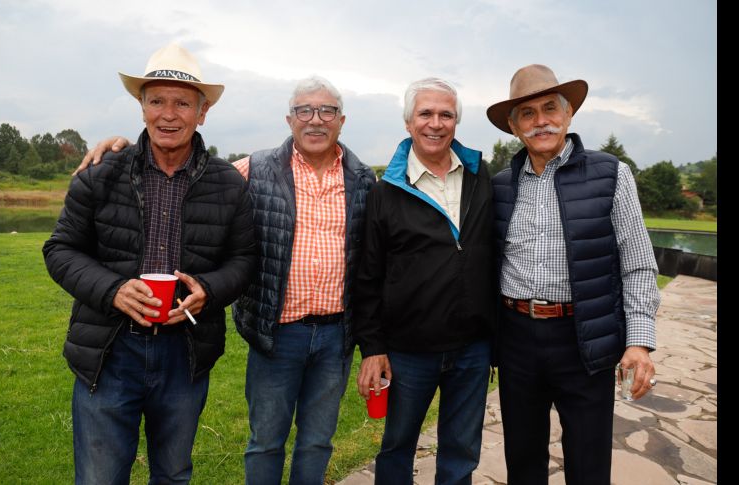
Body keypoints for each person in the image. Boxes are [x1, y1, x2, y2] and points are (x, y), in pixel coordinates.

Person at [77, 75, 376, 484]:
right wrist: (120, 147)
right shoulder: (251, 169)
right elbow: (181, 161)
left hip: (335, 335)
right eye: (305, 110)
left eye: (327, 111)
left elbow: (372, 258)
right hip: (277, 333)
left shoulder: (364, 179)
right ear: (289, 120)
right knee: (266, 440)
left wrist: (211, 289)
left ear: (342, 120)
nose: (315, 120)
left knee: (318, 440)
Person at [43, 43, 256, 484]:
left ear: (203, 113)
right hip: (109, 350)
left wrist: (210, 291)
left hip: (184, 354)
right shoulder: (101, 173)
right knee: (100, 477)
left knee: (174, 474)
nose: (168, 114)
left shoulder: (228, 184)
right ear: (140, 108)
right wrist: (113, 289)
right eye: (156, 100)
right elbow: (60, 249)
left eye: (182, 102)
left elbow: (244, 259)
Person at [485, 64, 660, 485]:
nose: (540, 120)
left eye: (550, 108)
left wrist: (639, 342)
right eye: (527, 113)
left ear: (569, 114)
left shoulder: (611, 174)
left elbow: (637, 263)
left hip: (585, 340)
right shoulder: (500, 185)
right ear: (514, 126)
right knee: (523, 460)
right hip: (516, 340)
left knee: (588, 462)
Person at [354, 77, 497, 485]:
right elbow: (368, 276)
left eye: (446, 114)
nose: (436, 123)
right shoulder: (386, 191)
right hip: (408, 351)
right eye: (426, 114)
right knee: (398, 445)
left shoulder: (479, 175)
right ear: (408, 123)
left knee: (461, 451)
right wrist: (373, 347)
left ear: (456, 122)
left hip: (472, 349)